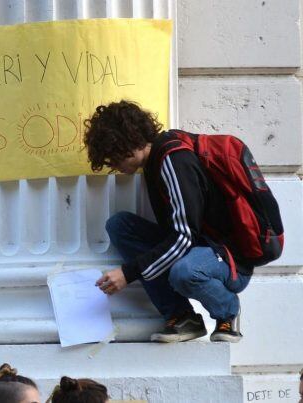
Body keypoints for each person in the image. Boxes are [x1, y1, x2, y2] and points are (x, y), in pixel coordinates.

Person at [83, 100, 251, 343]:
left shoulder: (174, 160)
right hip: (199, 247)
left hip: (227, 256)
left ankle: (227, 310)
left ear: (125, 144)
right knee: (120, 226)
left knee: (184, 271)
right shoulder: (155, 162)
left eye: (113, 159)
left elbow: (184, 238)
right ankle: (183, 317)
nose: (114, 167)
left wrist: (127, 273)